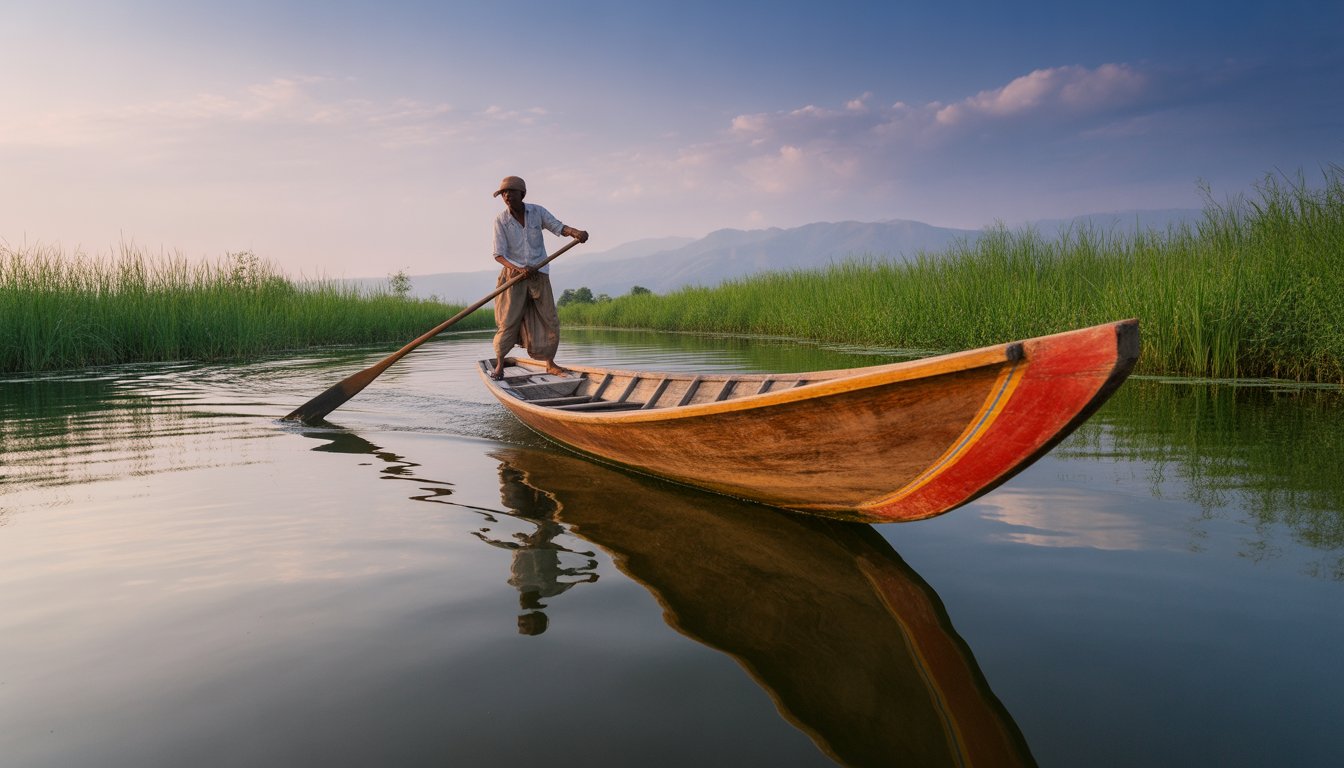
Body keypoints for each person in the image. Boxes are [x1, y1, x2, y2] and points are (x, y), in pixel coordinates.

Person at [489, 175, 588, 380]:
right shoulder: (501, 220)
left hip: (539, 274)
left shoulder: (537, 212)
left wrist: (575, 232)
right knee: (508, 320)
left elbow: (558, 227)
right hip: (513, 277)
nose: (506, 196)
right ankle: (499, 366)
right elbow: (499, 254)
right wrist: (518, 269)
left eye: (510, 192)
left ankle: (550, 364)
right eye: (503, 193)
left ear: (522, 194)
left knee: (549, 318)